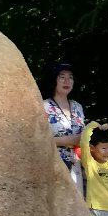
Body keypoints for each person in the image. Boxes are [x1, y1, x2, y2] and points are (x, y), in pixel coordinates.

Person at [42, 62, 86, 190]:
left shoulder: (78, 107)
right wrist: (68, 140)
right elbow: (37, 140)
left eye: (70, 77)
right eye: (62, 76)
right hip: (53, 168)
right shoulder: (44, 106)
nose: (67, 81)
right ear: (53, 79)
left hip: (77, 169)